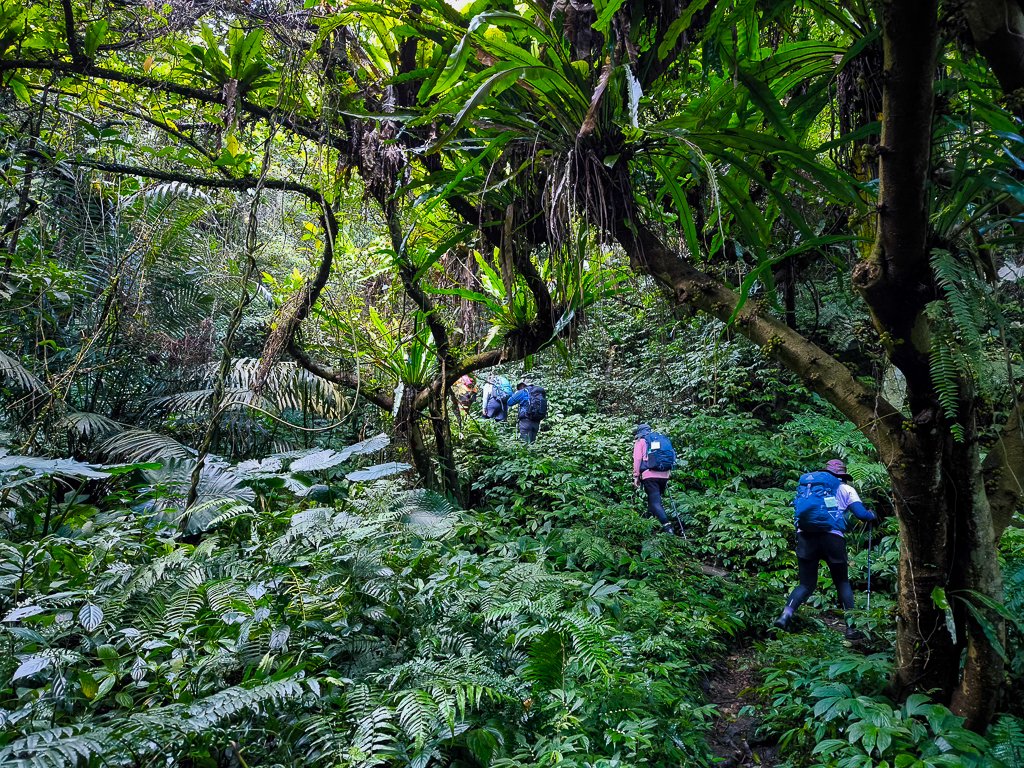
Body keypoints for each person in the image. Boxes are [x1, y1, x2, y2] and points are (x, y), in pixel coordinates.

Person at [774, 459, 877, 639]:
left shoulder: (808, 488)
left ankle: (785, 616)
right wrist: (871, 515)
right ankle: (851, 629)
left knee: (806, 584)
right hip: (832, 539)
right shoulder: (846, 489)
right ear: (842, 475)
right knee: (842, 582)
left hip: (806, 536)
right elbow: (861, 515)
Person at [632, 424, 677, 535]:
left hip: (650, 475)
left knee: (655, 502)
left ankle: (668, 527)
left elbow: (637, 459)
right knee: (652, 501)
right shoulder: (660, 439)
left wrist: (636, 476)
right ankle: (650, 525)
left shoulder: (641, 441)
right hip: (664, 474)